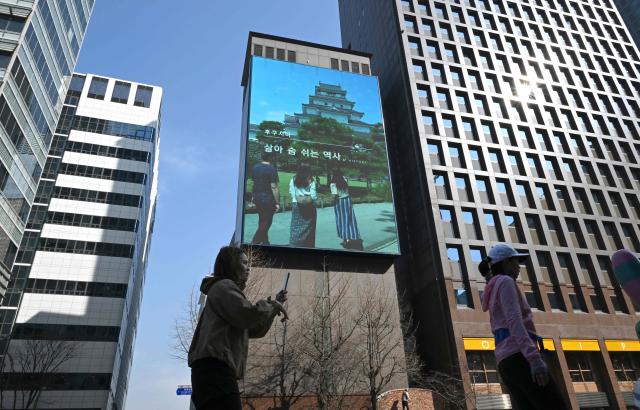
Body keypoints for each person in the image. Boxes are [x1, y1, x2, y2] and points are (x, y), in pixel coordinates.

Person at [188, 246, 288, 410]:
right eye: (244, 263)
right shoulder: (224, 287)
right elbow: (247, 315)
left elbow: (254, 329)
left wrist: (275, 306)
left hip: (213, 372)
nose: (249, 268)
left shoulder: (224, 290)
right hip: (215, 371)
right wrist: (271, 305)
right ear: (232, 265)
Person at [479, 244, 567, 410]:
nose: (519, 266)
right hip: (520, 356)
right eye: (516, 261)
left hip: (505, 362)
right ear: (506, 263)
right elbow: (514, 321)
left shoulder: (493, 286)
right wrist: (534, 359)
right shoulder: (505, 282)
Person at [251, 152, 280, 245]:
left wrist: (253, 196)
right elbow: (273, 187)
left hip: (257, 198)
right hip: (267, 199)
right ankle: (254, 244)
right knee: (266, 222)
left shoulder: (255, 167)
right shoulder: (272, 169)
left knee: (262, 220)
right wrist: (277, 202)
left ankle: (265, 242)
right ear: (271, 157)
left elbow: (254, 183)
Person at [330, 170, 363, 250]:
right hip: (348, 200)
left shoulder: (333, 184)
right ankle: (352, 235)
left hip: (340, 202)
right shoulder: (344, 180)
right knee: (349, 219)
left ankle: (346, 239)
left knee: (341, 220)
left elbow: (334, 196)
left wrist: (331, 201)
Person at [289, 165, 317, 247]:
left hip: (296, 205)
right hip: (309, 207)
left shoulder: (293, 180)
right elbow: (314, 196)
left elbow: (292, 193)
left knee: (295, 227)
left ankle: (294, 245)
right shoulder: (311, 181)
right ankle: (308, 246)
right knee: (309, 229)